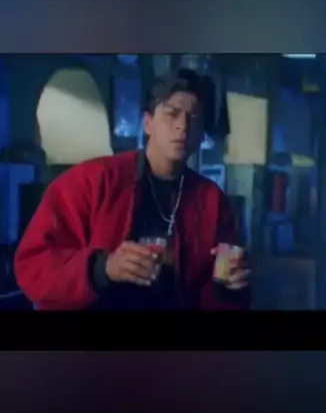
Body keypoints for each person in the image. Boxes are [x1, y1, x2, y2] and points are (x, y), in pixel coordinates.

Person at [14, 69, 251, 311]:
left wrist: (230, 286)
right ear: (147, 123)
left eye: (194, 117)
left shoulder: (213, 201)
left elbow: (223, 295)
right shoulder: (93, 180)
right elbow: (32, 266)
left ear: (202, 135)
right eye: (172, 113)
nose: (182, 126)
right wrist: (103, 268)